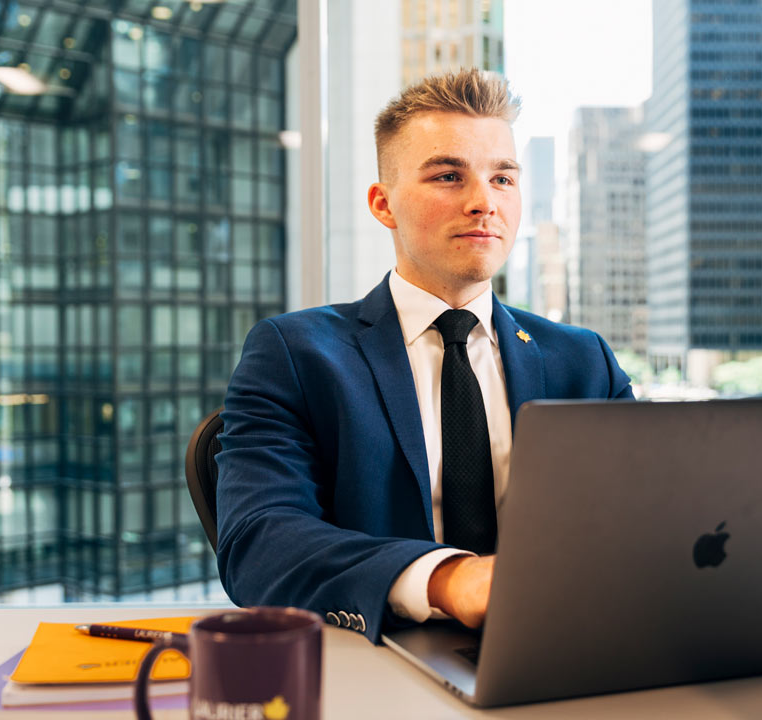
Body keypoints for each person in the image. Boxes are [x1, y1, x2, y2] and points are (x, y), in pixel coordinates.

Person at [216, 68, 633, 644]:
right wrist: (448, 580)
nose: (484, 202)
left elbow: (643, 525)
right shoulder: (294, 353)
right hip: (385, 661)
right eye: (447, 175)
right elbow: (259, 541)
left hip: (566, 650)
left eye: (503, 178)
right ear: (383, 205)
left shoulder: (585, 361)